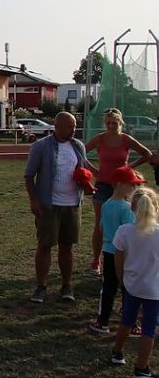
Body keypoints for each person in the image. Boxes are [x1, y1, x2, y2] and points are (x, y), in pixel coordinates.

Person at [24, 112, 89, 303]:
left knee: (67, 246)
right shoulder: (40, 147)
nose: (73, 130)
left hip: (72, 205)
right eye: (69, 126)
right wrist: (34, 200)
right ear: (57, 126)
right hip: (48, 206)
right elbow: (29, 175)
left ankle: (67, 286)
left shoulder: (78, 146)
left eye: (75, 126)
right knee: (45, 246)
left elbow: (82, 170)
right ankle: (41, 287)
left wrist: (88, 182)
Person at [84, 108, 152, 275]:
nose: (111, 126)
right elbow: (80, 154)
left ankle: (125, 257)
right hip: (103, 185)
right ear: (105, 123)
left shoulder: (126, 139)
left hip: (123, 187)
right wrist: (94, 171)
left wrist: (129, 168)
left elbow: (147, 154)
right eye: (108, 123)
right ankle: (96, 260)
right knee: (100, 224)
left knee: (127, 222)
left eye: (114, 123)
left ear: (120, 123)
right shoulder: (99, 139)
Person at [110, 185, 159, 377]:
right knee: (148, 328)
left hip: (132, 286)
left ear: (132, 207)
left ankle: (117, 351)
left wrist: (122, 280)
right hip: (154, 290)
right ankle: (141, 367)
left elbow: (118, 260)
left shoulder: (124, 231)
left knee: (126, 321)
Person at [89, 167, 142, 334]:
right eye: (132, 184)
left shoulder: (106, 205)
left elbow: (102, 227)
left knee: (108, 287)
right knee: (128, 288)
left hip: (108, 251)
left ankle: (102, 321)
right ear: (119, 184)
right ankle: (131, 324)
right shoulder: (127, 208)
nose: (135, 188)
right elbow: (130, 232)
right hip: (125, 253)